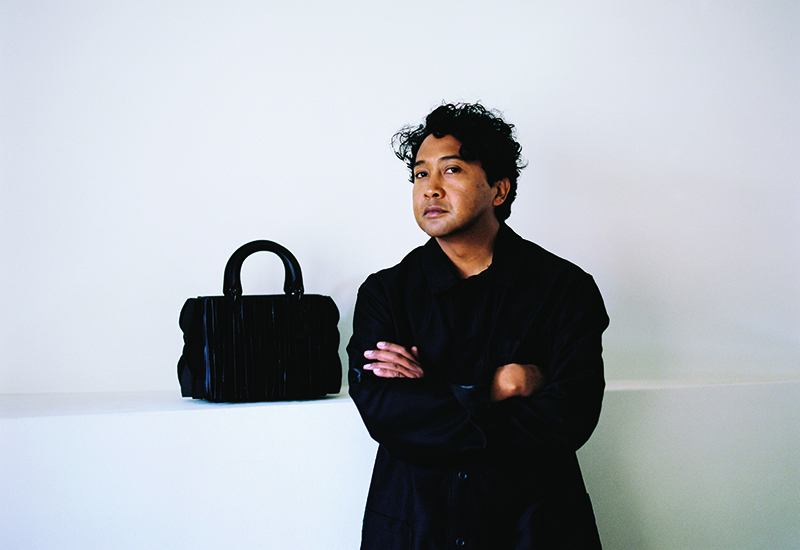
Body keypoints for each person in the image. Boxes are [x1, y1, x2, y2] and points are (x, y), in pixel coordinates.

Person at [347, 103, 609, 549]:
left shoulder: (565, 289)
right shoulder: (385, 294)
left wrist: (432, 396)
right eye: (420, 174)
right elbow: (387, 414)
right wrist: (497, 387)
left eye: (451, 170)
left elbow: (569, 418)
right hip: (416, 530)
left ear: (499, 190)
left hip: (533, 532)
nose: (430, 189)